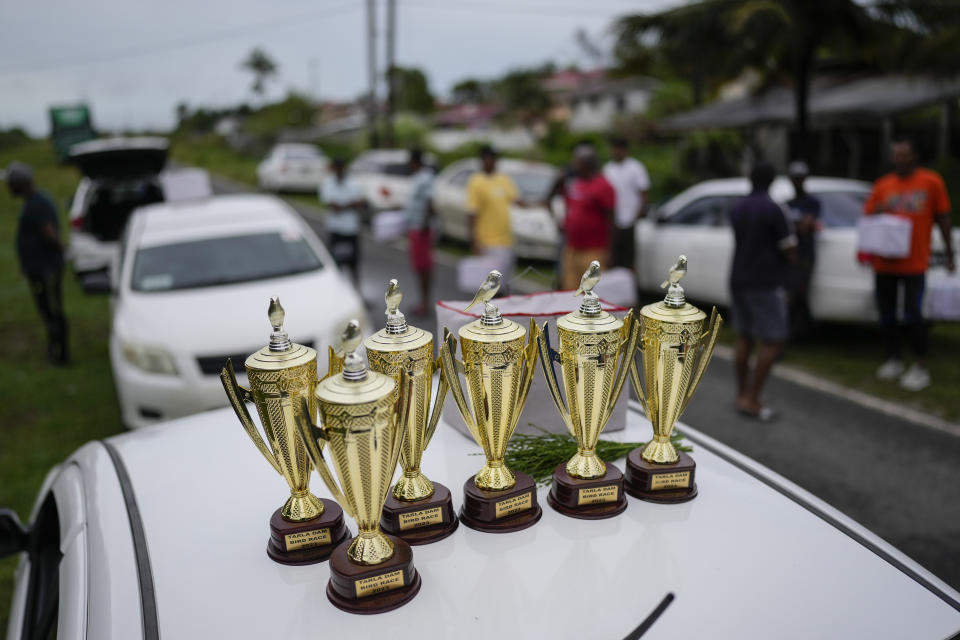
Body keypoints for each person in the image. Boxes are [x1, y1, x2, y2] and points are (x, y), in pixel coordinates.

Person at [864, 138, 955, 391]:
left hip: (914, 262)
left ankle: (920, 365)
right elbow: (868, 217)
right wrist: (878, 212)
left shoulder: (931, 182)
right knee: (887, 314)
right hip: (885, 263)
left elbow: (943, 217)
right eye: (896, 155)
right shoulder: (883, 185)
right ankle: (892, 359)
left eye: (904, 155)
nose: (900, 160)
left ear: (915, 156)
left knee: (914, 315)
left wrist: (949, 253)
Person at [729, 162, 797, 420]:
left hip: (739, 277)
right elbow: (788, 248)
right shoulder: (774, 208)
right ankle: (753, 398)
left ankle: (741, 393)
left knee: (744, 335)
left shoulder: (737, 206)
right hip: (766, 281)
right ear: (772, 181)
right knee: (773, 339)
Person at [6, 162, 69, 365]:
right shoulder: (34, 200)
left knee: (52, 311)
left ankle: (60, 356)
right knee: (49, 311)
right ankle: (56, 352)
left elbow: (49, 233)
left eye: (11, 183)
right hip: (41, 268)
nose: (8, 187)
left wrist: (60, 249)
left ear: (20, 184)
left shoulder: (37, 203)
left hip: (46, 269)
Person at [559, 145, 617, 290]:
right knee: (570, 291)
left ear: (587, 163)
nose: (573, 164)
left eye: (576, 161)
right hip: (572, 248)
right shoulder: (576, 183)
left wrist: (611, 251)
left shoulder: (604, 186)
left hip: (593, 251)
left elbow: (612, 220)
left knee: (592, 292)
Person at [466, 145, 519, 282]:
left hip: (506, 241)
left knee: (505, 283)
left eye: (494, 158)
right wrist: (474, 240)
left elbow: (516, 199)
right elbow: (472, 213)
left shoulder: (503, 179)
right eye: (489, 158)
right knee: (490, 286)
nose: (492, 161)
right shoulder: (476, 182)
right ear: (482, 160)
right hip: (487, 242)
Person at [785, 160, 821, 339]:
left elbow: (805, 226)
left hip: (805, 255)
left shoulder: (812, 202)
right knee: (792, 293)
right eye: (795, 178)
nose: (797, 182)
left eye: (800, 178)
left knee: (799, 293)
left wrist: (797, 226)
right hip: (791, 255)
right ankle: (798, 331)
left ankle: (801, 331)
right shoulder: (788, 203)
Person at [603, 136, 650, 271]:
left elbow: (644, 194)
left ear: (625, 150)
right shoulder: (608, 168)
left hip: (630, 221)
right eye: (614, 149)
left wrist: (637, 216)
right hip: (613, 221)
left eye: (619, 149)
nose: (616, 152)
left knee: (629, 261)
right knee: (612, 259)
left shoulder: (636, 168)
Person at [319, 158, 365, 289]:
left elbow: (360, 203)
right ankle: (337, 290)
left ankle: (357, 292)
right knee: (335, 262)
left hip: (351, 228)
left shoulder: (354, 183)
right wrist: (351, 205)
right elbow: (332, 205)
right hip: (335, 228)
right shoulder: (328, 183)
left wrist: (342, 206)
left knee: (354, 263)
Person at [403, 148, 435, 315]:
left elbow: (430, 203)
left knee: (424, 266)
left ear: (414, 162)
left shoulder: (425, 177)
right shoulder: (416, 178)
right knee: (418, 266)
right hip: (414, 227)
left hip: (421, 228)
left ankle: (425, 303)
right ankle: (422, 301)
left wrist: (424, 224)